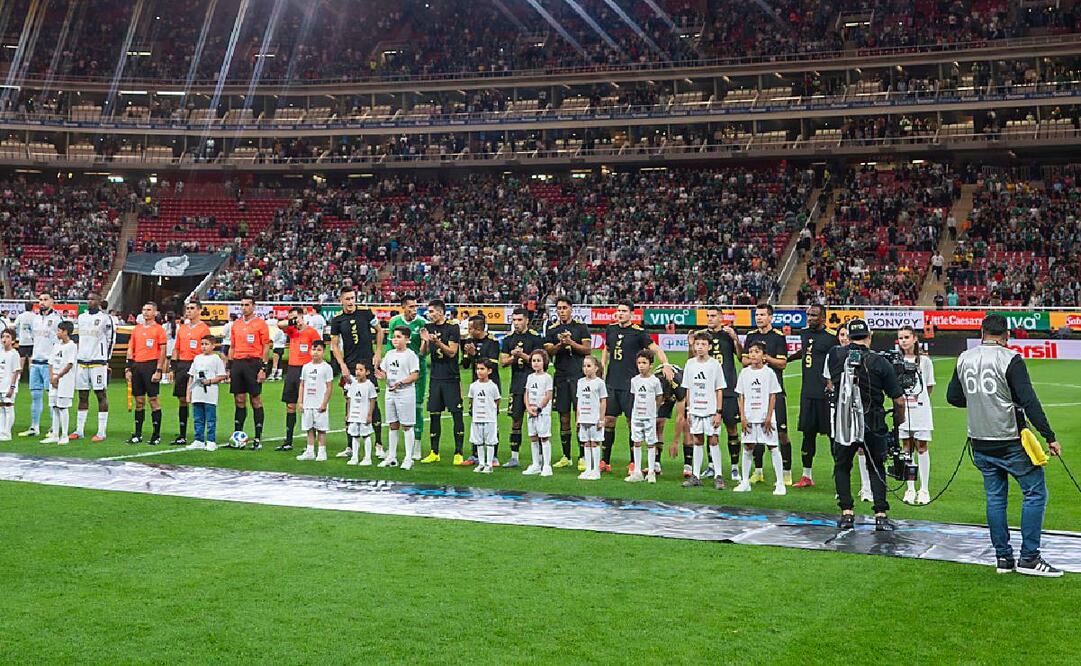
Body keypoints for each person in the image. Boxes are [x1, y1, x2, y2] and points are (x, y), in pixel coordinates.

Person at [947, 313, 1063, 576]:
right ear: (1006, 335)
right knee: (1035, 492)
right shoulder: (1010, 358)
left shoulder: (965, 358)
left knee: (995, 498)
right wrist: (1049, 436)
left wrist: (980, 403)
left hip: (979, 441)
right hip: (1009, 439)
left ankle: (1003, 558)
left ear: (981, 334)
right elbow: (1029, 401)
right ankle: (1030, 558)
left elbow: (953, 397)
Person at [827, 318, 904, 532]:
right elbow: (898, 399)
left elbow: (833, 377)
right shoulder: (880, 362)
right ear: (869, 337)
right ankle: (880, 514)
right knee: (876, 466)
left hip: (844, 420)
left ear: (848, 337)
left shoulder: (836, 355)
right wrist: (900, 420)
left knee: (842, 465)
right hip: (873, 420)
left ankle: (847, 513)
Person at [601, 301, 674, 473]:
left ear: (631, 314)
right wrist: (602, 366)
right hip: (612, 382)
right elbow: (607, 348)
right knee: (609, 421)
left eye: (624, 311)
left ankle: (633, 462)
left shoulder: (638, 333)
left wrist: (666, 363)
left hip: (630, 385)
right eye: (618, 311)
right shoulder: (611, 329)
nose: (620, 314)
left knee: (630, 422)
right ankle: (604, 461)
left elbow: (655, 348)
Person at [330, 286, 384, 457]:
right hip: (350, 365)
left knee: (372, 401)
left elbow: (380, 330)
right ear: (341, 301)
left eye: (353, 298)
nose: (351, 301)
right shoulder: (337, 319)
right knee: (350, 402)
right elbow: (334, 345)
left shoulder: (366, 313)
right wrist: (342, 365)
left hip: (368, 364)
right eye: (347, 299)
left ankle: (379, 444)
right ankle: (350, 446)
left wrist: (378, 352)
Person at [690, 306, 743, 482]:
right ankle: (712, 467)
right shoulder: (703, 337)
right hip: (708, 392)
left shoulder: (728, 334)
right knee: (708, 430)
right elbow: (693, 360)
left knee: (731, 428)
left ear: (721, 317)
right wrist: (691, 344)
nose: (710, 318)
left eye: (713, 316)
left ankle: (735, 467)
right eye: (708, 316)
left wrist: (736, 339)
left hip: (728, 388)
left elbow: (741, 357)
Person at [742, 304, 793, 485]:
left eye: (763, 315)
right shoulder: (750, 336)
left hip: (775, 392)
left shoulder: (778, 337)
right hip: (755, 393)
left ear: (770, 317)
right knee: (756, 434)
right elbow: (744, 360)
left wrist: (765, 358)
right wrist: (754, 359)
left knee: (781, 433)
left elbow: (782, 363)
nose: (759, 318)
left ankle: (786, 472)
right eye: (757, 315)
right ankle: (758, 471)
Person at [791, 304, 838, 488]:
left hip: (826, 395)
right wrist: (787, 359)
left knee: (833, 436)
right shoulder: (804, 334)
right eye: (808, 315)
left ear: (824, 318)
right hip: (808, 393)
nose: (810, 318)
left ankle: (839, 473)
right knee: (807, 435)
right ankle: (806, 476)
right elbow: (805, 352)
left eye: (814, 315)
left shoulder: (832, 338)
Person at [543, 297, 591, 470]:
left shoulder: (580, 327)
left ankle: (583, 456)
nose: (561, 311)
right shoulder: (552, 329)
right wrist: (560, 344)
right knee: (563, 417)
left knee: (581, 416)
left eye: (564, 308)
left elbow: (587, 350)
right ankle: (566, 456)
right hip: (561, 376)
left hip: (578, 376)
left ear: (571, 309)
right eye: (559, 308)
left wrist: (571, 343)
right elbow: (548, 352)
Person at [733, 341, 786, 496]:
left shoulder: (769, 373)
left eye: (756, 351)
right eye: (751, 351)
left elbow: (773, 396)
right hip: (749, 417)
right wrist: (742, 416)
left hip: (765, 417)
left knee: (773, 447)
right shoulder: (744, 373)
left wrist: (769, 416)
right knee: (748, 447)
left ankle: (780, 483)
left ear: (763, 355)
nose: (753, 354)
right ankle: (745, 482)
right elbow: (740, 396)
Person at [419, 299, 464, 464]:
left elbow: (452, 352)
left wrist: (437, 342)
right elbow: (423, 354)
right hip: (435, 378)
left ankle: (458, 452)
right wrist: (425, 341)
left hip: (451, 378)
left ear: (440, 311)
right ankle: (434, 452)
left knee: (456, 415)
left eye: (431, 311)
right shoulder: (428, 328)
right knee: (434, 415)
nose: (429, 314)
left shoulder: (453, 327)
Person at [681, 332, 727, 489]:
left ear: (709, 347)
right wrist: (688, 409)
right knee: (697, 441)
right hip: (695, 410)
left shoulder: (714, 364)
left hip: (710, 410)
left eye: (703, 345)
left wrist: (718, 412)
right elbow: (688, 388)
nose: (700, 348)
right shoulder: (690, 364)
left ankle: (718, 475)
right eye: (697, 344)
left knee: (713, 441)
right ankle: (696, 475)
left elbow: (719, 389)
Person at [500, 308, 544, 468]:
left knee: (537, 421)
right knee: (516, 420)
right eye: (514, 320)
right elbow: (503, 362)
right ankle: (514, 457)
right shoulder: (508, 339)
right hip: (517, 385)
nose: (516, 323)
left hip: (535, 386)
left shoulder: (535, 338)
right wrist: (513, 357)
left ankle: (540, 457)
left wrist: (524, 356)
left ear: (526, 320)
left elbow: (542, 362)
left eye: (519, 320)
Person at [896, 325, 935, 505]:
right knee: (906, 447)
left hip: (920, 409)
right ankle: (910, 488)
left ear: (914, 339)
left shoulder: (925, 362)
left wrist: (918, 399)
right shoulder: (896, 361)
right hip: (903, 411)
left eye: (906, 337)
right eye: (901, 338)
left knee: (921, 446)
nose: (904, 341)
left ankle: (924, 489)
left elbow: (929, 386)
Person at [276, 307, 323, 453]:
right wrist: (292, 321)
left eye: (296, 316)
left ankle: (311, 441)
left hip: (307, 370)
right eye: (291, 317)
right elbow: (279, 325)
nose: (294, 320)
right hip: (292, 370)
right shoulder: (292, 330)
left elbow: (319, 350)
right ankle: (288, 440)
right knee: (290, 405)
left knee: (309, 406)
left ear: (302, 316)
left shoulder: (311, 332)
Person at [228, 296, 271, 450]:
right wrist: (229, 366)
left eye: (247, 305)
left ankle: (258, 438)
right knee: (239, 400)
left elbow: (266, 346)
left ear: (253, 306)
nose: (244, 307)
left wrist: (263, 368)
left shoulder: (261, 324)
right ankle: (237, 436)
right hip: (238, 363)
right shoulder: (236, 324)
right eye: (242, 305)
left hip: (253, 363)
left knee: (255, 400)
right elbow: (232, 346)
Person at [385, 295, 427, 447]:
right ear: (403, 307)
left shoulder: (422, 323)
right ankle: (394, 450)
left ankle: (416, 444)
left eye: (416, 306)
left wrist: (424, 342)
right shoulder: (395, 321)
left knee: (417, 406)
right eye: (411, 307)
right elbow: (390, 347)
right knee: (394, 407)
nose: (414, 310)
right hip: (398, 369)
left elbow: (424, 352)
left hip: (417, 368)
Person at [19, 293, 62, 438]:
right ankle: (34, 427)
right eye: (40, 300)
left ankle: (53, 428)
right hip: (35, 362)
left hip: (49, 364)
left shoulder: (57, 319)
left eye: (45, 300)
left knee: (52, 396)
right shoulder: (35, 319)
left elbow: (60, 342)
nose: (42, 302)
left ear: (52, 301)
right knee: (35, 395)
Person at [377, 326, 421, 470]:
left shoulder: (410, 355)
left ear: (407, 339)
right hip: (390, 392)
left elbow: (415, 375)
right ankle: (392, 456)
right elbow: (384, 372)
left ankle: (408, 458)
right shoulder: (389, 354)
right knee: (392, 424)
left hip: (405, 392)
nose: (395, 339)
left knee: (407, 425)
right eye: (394, 336)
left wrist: (400, 382)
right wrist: (380, 374)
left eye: (398, 337)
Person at [168, 300, 210, 447]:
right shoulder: (183, 328)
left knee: (198, 400)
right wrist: (173, 368)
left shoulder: (204, 329)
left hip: (198, 365)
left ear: (199, 311)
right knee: (182, 399)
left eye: (192, 308)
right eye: (187, 308)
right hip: (183, 365)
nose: (189, 311)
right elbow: (176, 349)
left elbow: (208, 349)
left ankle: (200, 435)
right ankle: (182, 434)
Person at [74, 294, 115, 443]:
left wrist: (107, 359)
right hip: (82, 361)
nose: (89, 301)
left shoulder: (105, 318)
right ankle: (79, 430)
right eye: (88, 299)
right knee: (82, 395)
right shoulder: (81, 317)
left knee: (100, 394)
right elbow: (79, 338)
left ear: (99, 302)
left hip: (98, 361)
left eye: (93, 299)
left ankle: (101, 431)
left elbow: (111, 339)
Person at [125, 302, 167, 445]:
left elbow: (162, 351)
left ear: (155, 312)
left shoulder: (159, 330)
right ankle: (137, 434)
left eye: (149, 310)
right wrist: (128, 368)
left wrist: (159, 370)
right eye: (144, 310)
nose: (146, 312)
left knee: (153, 400)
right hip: (137, 366)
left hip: (151, 366)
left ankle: (156, 435)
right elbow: (131, 349)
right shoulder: (136, 329)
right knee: (139, 401)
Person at [627, 350, 664, 484]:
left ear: (651, 365)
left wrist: (654, 410)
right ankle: (637, 471)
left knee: (650, 442)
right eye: (639, 363)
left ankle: (651, 472)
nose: (641, 366)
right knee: (636, 442)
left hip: (649, 417)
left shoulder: (654, 381)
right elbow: (633, 397)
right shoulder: (634, 380)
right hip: (637, 416)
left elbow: (659, 397)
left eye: (644, 363)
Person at [186, 335, 227, 451]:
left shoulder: (216, 359)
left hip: (210, 394)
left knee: (210, 418)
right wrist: (188, 393)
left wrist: (209, 381)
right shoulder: (197, 358)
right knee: (198, 418)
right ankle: (198, 439)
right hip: (197, 393)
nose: (204, 347)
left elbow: (222, 375)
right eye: (202, 344)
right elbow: (191, 376)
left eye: (206, 344)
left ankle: (211, 440)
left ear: (213, 346)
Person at [295, 339, 333, 462]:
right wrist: (300, 401)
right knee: (309, 428)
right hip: (308, 403)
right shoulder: (306, 367)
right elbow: (302, 384)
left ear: (323, 351)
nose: (316, 352)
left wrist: (324, 403)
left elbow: (329, 387)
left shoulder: (326, 368)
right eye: (314, 349)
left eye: (319, 350)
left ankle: (322, 451)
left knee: (321, 428)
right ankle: (310, 451)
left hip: (319, 403)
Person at [523, 349, 554, 477]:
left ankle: (546, 465)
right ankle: (535, 464)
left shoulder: (547, 378)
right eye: (534, 361)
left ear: (544, 362)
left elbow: (548, 395)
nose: (536, 363)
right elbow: (527, 393)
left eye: (538, 361)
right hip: (531, 412)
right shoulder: (530, 377)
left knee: (544, 437)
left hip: (543, 413)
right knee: (533, 437)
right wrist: (528, 407)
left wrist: (539, 408)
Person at [467, 359, 501, 474]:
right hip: (477, 418)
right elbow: (471, 399)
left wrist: (491, 410)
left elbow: (497, 400)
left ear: (489, 371)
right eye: (478, 369)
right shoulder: (473, 386)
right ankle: (481, 463)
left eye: (482, 369)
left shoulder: (493, 386)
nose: (479, 372)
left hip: (489, 418)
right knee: (479, 442)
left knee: (490, 441)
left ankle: (489, 464)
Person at [45, 321, 77, 445]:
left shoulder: (72, 346)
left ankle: (64, 435)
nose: (57, 333)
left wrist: (58, 376)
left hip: (65, 381)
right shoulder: (56, 345)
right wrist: (52, 377)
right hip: (54, 379)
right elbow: (51, 361)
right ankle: (54, 434)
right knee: (54, 407)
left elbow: (69, 364)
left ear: (65, 332)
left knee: (63, 407)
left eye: (59, 330)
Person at [576, 356, 607, 481]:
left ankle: (596, 470)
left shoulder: (599, 383)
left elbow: (603, 401)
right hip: (584, 417)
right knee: (586, 443)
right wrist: (578, 417)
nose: (586, 368)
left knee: (595, 442)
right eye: (584, 366)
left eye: (589, 366)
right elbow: (579, 400)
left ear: (596, 368)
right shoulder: (580, 382)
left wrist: (601, 419)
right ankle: (588, 469)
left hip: (594, 418)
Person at [657, 364, 688, 478]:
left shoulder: (679, 386)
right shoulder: (653, 384)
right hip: (663, 389)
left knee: (687, 423)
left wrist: (675, 441)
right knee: (658, 422)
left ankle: (688, 465)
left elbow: (680, 417)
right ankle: (656, 462)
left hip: (682, 389)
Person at [345, 362, 378, 466]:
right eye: (356, 370)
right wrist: (348, 413)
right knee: (355, 435)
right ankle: (355, 457)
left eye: (361, 370)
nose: (358, 372)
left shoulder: (369, 385)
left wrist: (369, 414)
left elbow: (372, 400)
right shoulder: (353, 384)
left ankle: (367, 457)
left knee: (366, 435)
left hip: (364, 414)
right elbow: (349, 399)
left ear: (367, 372)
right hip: (354, 415)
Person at [0, 329, 21, 440]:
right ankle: (2, 431)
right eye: (3, 336)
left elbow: (16, 371)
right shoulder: (1, 352)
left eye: (7, 337)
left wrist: (12, 387)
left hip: (8, 386)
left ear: (12, 340)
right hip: (1, 384)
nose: (4, 339)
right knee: (1, 409)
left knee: (8, 408)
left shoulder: (14, 354)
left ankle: (7, 433)